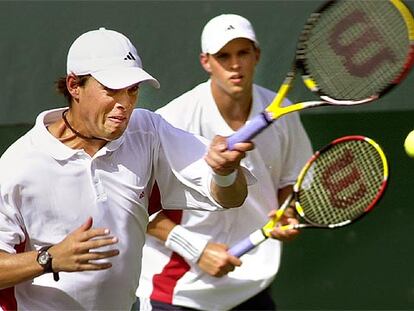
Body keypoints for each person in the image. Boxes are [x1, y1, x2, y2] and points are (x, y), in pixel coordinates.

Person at [0, 27, 255, 311]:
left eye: (132, 90)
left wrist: (225, 172)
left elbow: (231, 197)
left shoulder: (147, 131)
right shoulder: (18, 165)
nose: (124, 103)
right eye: (111, 90)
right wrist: (49, 259)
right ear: (74, 86)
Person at [135, 14, 314, 311]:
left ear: (256, 55)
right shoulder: (173, 120)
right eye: (223, 56)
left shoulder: (282, 112)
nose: (234, 65)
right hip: (177, 291)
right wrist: (195, 249)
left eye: (243, 53)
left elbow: (292, 182)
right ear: (206, 61)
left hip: (250, 285)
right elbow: (135, 203)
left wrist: (288, 213)